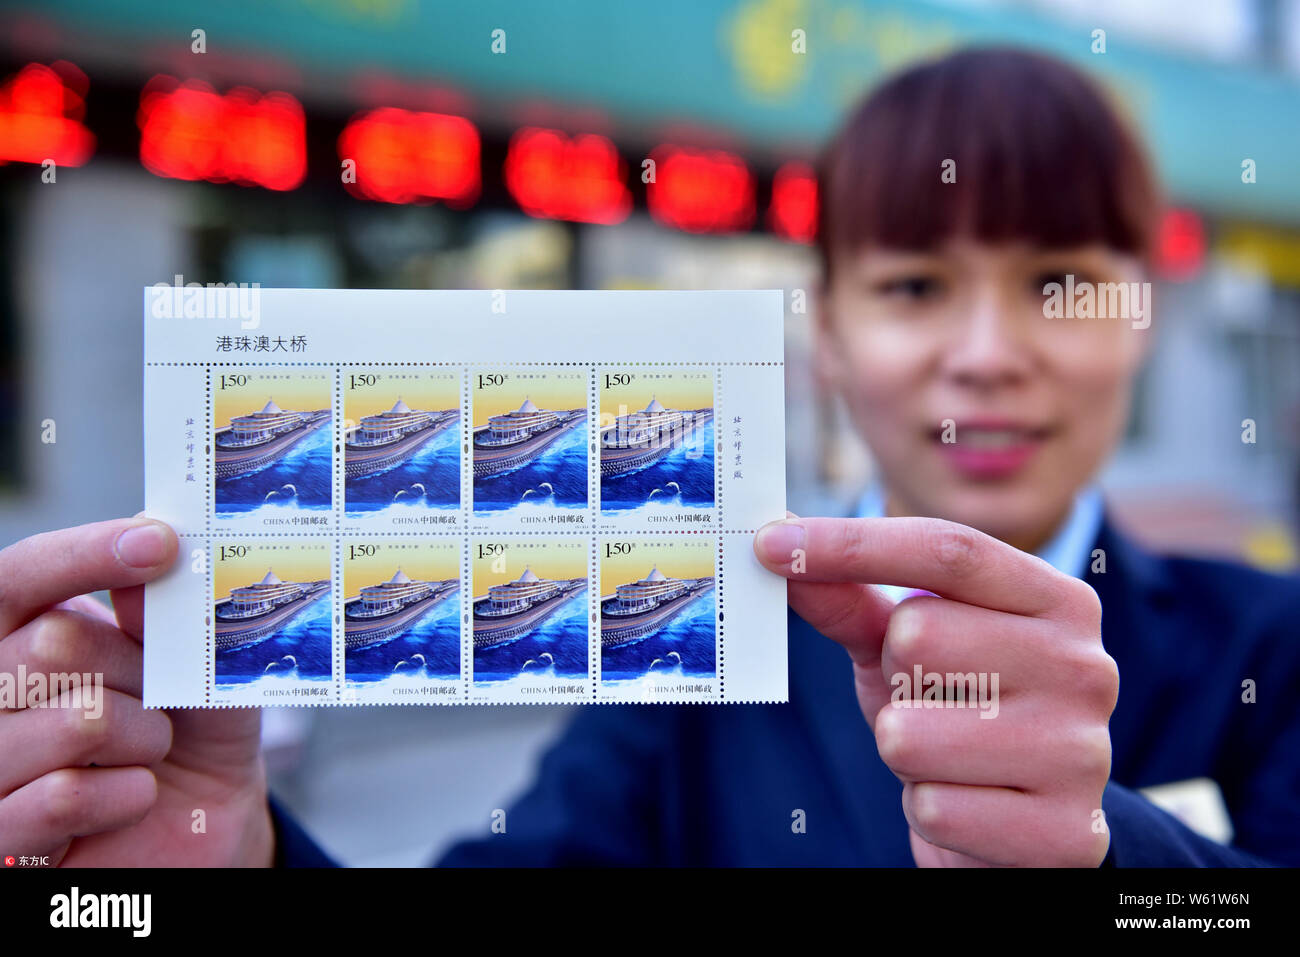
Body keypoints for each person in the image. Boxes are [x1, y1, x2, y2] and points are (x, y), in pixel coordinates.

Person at [2, 47, 1297, 868]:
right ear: (829, 334)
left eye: (1059, 282)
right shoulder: (698, 654)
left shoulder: (1271, 649)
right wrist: (236, 858)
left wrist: (1114, 857)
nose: (985, 351)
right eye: (913, 285)